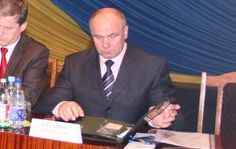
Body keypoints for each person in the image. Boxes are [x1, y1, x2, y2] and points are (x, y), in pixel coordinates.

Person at [35, 7, 180, 127]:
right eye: (98, 37)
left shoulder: (152, 66)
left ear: (125, 32)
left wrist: (158, 118)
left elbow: (169, 112)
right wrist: (62, 105)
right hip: (85, 142)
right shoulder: (75, 62)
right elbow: (48, 101)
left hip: (130, 146)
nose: (105, 44)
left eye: (112, 36)